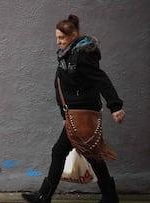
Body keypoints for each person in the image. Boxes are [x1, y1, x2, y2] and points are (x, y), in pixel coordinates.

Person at [22, 14, 126, 203]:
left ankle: (44, 196)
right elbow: (59, 85)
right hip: (73, 113)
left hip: (83, 113)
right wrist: (64, 113)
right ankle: (110, 196)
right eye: (56, 37)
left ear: (74, 35)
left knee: (63, 151)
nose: (58, 41)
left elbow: (100, 78)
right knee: (89, 153)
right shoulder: (66, 55)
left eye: (61, 38)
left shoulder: (82, 55)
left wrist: (115, 106)